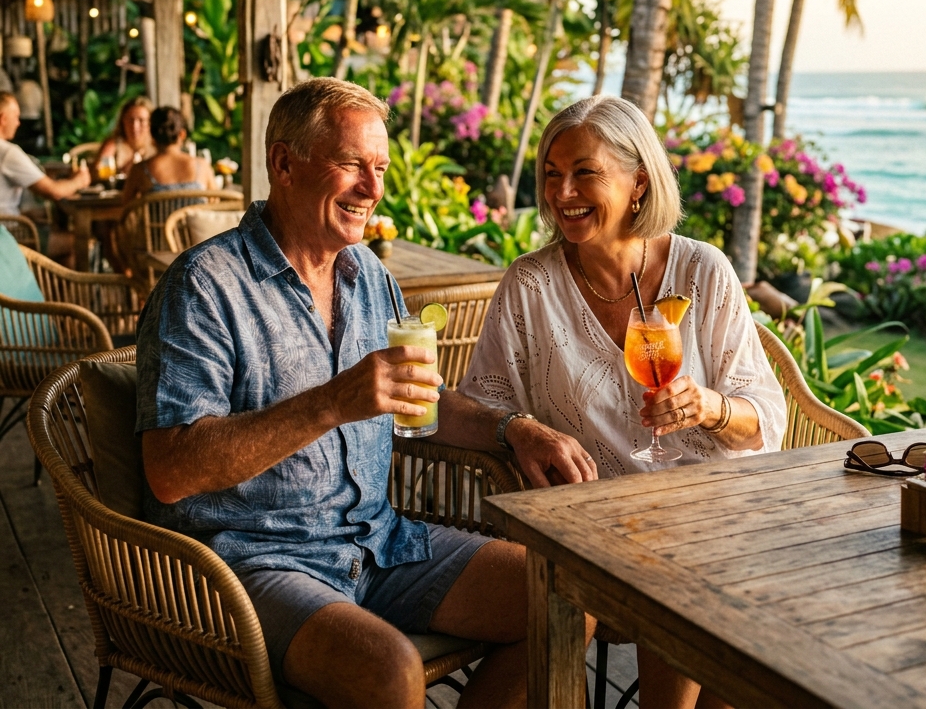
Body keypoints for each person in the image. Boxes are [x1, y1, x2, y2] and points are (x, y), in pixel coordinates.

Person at [136, 79, 592, 709]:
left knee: (565, 595)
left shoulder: (369, 275)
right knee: (388, 670)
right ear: (283, 163)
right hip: (250, 564)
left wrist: (512, 427)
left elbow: (418, 401)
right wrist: (331, 403)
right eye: (351, 164)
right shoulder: (204, 285)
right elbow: (169, 470)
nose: (372, 189)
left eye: (378, 168)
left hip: (378, 542)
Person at [454, 94, 789, 709]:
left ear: (639, 182)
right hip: (600, 526)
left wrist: (708, 407)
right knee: (677, 574)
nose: (563, 192)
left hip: (717, 515)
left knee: (701, 578)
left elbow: (767, 418)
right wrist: (520, 428)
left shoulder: (702, 272)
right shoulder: (532, 285)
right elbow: (475, 407)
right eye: (552, 174)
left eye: (585, 171)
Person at [0, 91, 90, 217]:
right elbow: (54, 191)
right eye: (15, 117)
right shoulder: (8, 153)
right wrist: (80, 180)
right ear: (3, 118)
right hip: (7, 229)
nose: (18, 123)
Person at [121, 106, 216, 204]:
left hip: (157, 220)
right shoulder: (202, 166)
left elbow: (126, 208)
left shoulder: (140, 170)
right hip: (194, 219)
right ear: (182, 134)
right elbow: (214, 203)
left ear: (152, 134)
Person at [92, 97, 155, 179]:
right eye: (131, 120)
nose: (135, 126)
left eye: (141, 120)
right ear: (123, 121)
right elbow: (98, 170)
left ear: (150, 123)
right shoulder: (113, 145)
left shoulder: (157, 145)